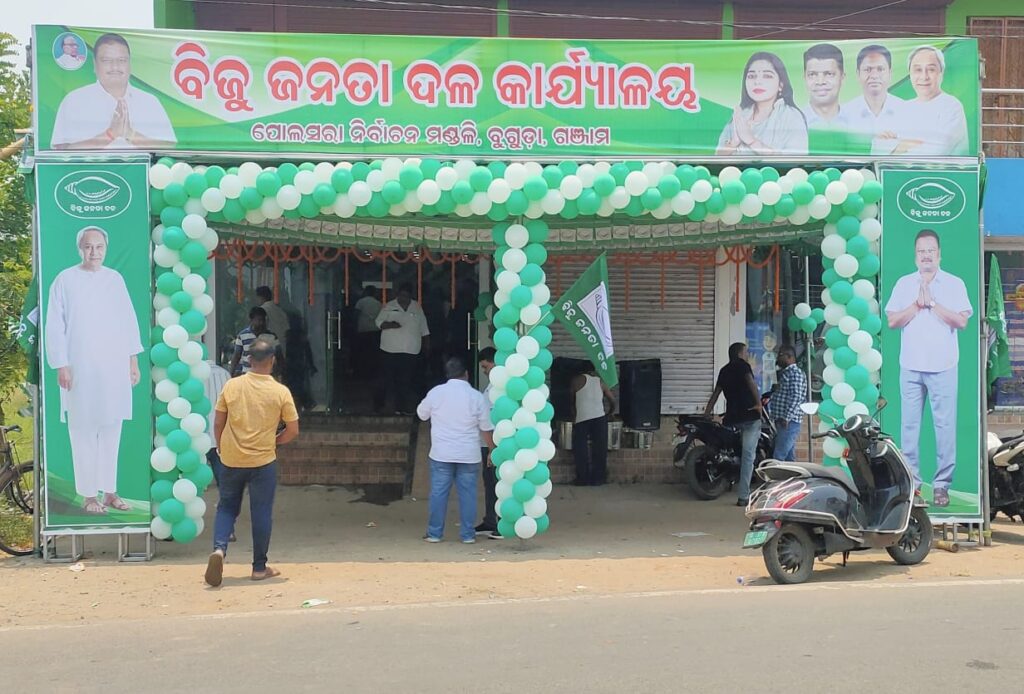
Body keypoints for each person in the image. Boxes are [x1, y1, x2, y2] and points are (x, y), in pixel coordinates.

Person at [45, 227, 142, 515]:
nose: (94, 252)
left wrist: (132, 361)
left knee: (112, 428)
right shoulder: (65, 280)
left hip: (113, 368)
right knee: (83, 430)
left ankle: (110, 491)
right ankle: (89, 495)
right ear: (80, 249)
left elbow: (128, 320)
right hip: (80, 368)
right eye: (89, 246)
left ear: (106, 249)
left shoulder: (115, 279)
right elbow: (55, 325)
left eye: (99, 247)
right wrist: (61, 364)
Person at [885, 230, 972, 507]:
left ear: (939, 254)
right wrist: (916, 304)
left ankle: (942, 485)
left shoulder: (954, 283)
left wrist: (932, 303)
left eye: (930, 251)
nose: (926, 256)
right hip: (910, 366)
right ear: (915, 256)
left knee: (944, 427)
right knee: (909, 427)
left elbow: (961, 321)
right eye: (921, 251)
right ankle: (913, 483)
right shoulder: (904, 284)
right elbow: (893, 321)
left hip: (944, 365)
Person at [206, 339, 300, 586]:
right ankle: (259, 568)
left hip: (232, 459)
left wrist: (221, 446)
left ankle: (219, 550)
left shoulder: (232, 386)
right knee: (261, 512)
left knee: (227, 507)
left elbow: (218, 422)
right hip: (263, 460)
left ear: (248, 360)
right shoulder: (280, 391)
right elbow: (292, 430)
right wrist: (274, 441)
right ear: (273, 361)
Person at [51, 33, 176, 149]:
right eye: (106, 61)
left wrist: (130, 134)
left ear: (129, 64)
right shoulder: (74, 101)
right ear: (95, 64)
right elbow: (61, 150)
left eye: (121, 60)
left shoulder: (150, 101)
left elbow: (168, 147)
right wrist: (109, 134)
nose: (115, 67)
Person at [417, 357, 494, 544]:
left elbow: (422, 414)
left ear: (447, 374)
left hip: (441, 453)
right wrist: (492, 450)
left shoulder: (436, 393)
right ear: (466, 374)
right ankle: (467, 535)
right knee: (468, 495)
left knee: (438, 493)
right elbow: (485, 427)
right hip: (469, 454)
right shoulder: (476, 396)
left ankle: (434, 533)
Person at [717, 51, 808, 156]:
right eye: (751, 76)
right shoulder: (741, 115)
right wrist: (734, 142)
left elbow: (795, 160)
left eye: (767, 76)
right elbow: (717, 157)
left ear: (781, 85)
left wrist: (751, 140)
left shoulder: (791, 117)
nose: (757, 81)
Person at [704, 342, 763, 506]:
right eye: (746, 352)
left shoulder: (724, 370)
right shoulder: (743, 367)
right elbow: (751, 383)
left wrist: (707, 412)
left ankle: (730, 479)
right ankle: (743, 496)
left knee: (732, 452)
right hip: (749, 417)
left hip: (732, 419)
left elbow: (716, 393)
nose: (747, 355)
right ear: (739, 354)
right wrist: (758, 403)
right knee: (748, 456)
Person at [896, 46, 969, 156]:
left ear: (941, 73)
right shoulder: (904, 108)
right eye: (918, 70)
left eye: (931, 70)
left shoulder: (952, 106)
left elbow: (936, 151)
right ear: (909, 74)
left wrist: (902, 147)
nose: (924, 76)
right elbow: (882, 148)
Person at [843, 44, 909, 155]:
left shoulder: (906, 111)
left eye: (880, 69)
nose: (874, 75)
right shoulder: (845, 114)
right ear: (858, 74)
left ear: (890, 73)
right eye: (868, 69)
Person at [376, 283, 430, 415]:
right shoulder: (389, 306)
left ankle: (403, 408)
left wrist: (427, 346)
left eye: (406, 296)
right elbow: (378, 322)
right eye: (401, 295)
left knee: (406, 380)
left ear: (411, 296)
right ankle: (386, 407)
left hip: (410, 350)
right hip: (390, 349)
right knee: (389, 379)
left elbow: (424, 328)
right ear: (397, 295)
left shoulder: (417, 307)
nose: (403, 298)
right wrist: (390, 325)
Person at [571, 363, 616, 486]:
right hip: (599, 418)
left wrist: (575, 416)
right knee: (600, 449)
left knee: (581, 449)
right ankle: (598, 479)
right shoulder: (601, 382)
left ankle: (582, 479)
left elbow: (572, 401)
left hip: (582, 418)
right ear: (593, 371)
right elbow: (612, 401)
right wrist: (610, 413)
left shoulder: (575, 381)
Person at [474, 347, 502, 539]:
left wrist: (493, 449)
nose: (484, 371)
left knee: (498, 484)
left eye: (486, 367)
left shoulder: (499, 389)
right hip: (486, 444)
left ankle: (501, 522)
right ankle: (490, 520)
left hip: (495, 444)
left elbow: (493, 421)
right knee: (490, 484)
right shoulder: (491, 387)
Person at [767, 345, 807, 462]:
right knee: (789, 456)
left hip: (789, 421)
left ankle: (775, 473)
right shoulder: (786, 373)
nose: (777, 358)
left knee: (778, 455)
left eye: (780, 355)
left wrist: (787, 417)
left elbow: (796, 397)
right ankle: (792, 473)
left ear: (789, 357)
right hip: (783, 420)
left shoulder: (795, 373)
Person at [801, 43, 848, 128]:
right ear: (805, 78)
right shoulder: (793, 121)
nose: (820, 82)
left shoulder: (857, 121)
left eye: (829, 74)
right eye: (812, 74)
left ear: (842, 78)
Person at [228, 306, 282, 377]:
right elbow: (237, 356)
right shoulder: (242, 336)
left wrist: (279, 375)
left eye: (263, 320)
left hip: (266, 376)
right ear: (251, 320)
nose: (261, 323)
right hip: (247, 376)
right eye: (259, 320)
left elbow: (279, 357)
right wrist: (231, 373)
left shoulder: (271, 336)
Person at [354, 286, 382, 375]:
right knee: (373, 353)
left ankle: (362, 372)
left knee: (362, 353)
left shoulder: (361, 302)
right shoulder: (378, 303)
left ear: (366, 292)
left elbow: (356, 315)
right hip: (375, 330)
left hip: (363, 330)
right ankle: (373, 373)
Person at [255, 286, 290, 358]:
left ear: (261, 297)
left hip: (267, 349)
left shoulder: (261, 310)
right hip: (282, 349)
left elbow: (258, 329)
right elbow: (287, 330)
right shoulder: (280, 310)